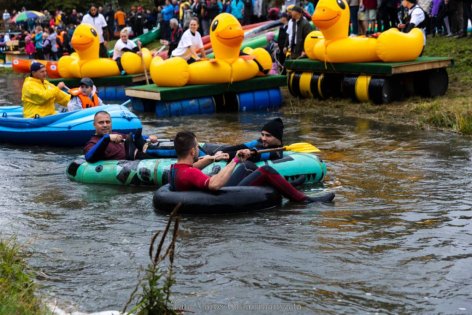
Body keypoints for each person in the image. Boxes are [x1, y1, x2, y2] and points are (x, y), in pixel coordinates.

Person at [169, 131, 335, 203]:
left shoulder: (177, 168)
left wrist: (212, 158)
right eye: (197, 147)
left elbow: (192, 168)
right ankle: (303, 200)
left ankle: (288, 187)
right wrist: (234, 160)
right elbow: (214, 184)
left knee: (246, 165)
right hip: (222, 196)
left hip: (212, 191)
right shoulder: (190, 173)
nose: (198, 149)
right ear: (192, 151)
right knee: (265, 170)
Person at [84, 111, 158, 162]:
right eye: (101, 122)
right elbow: (88, 157)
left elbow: (130, 137)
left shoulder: (117, 134)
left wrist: (148, 138)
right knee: (140, 154)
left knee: (133, 138)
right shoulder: (93, 143)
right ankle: (134, 152)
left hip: (141, 155)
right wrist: (106, 138)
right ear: (94, 125)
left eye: (107, 122)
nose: (105, 125)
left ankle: (142, 145)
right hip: (130, 162)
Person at [217, 118, 286, 162]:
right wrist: (222, 151)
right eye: (262, 134)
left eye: (268, 135)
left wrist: (225, 155)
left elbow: (253, 155)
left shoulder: (276, 152)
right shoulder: (260, 141)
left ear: (278, 137)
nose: (263, 138)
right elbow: (241, 146)